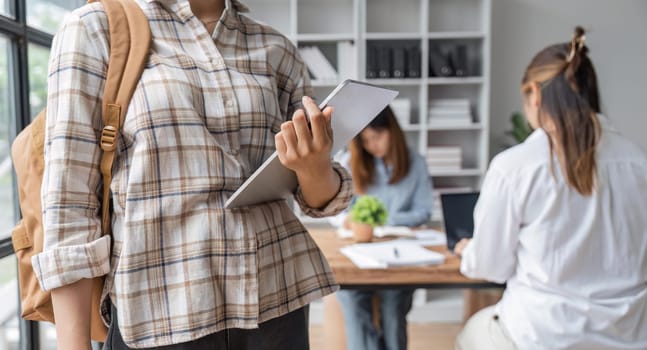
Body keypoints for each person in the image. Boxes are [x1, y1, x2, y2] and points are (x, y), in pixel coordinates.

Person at [32, 0, 353, 349]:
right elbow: (69, 202)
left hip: (279, 306)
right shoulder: (97, 29)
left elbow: (322, 200)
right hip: (160, 317)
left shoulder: (275, 47)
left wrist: (314, 167)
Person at [454, 27, 647, 349]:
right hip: (629, 336)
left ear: (535, 93)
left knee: (471, 333)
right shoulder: (639, 163)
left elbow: (490, 267)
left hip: (542, 336)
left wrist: (468, 252)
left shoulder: (514, 166)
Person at [333, 106, 434, 350]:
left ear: (392, 132)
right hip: (359, 250)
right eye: (366, 141)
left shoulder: (415, 163)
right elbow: (338, 211)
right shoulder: (350, 162)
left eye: (377, 137)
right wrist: (348, 220)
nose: (372, 145)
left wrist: (384, 220)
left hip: (398, 251)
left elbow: (424, 211)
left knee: (394, 303)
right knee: (352, 296)